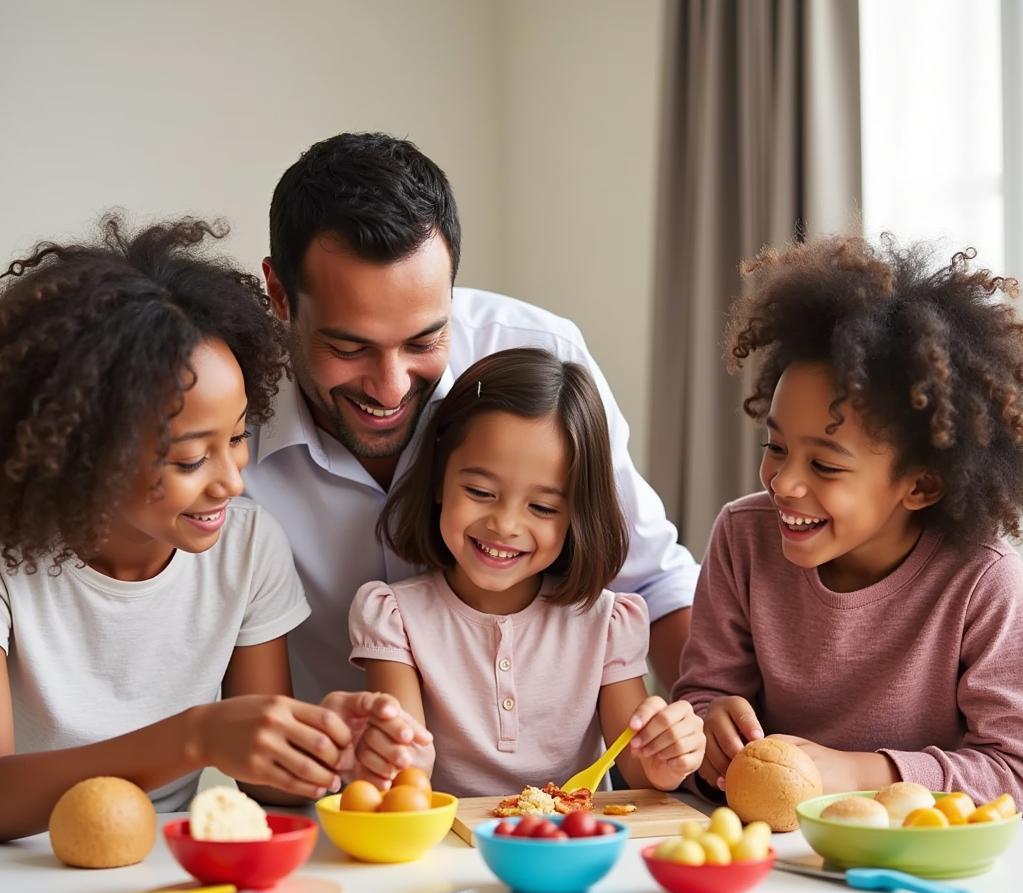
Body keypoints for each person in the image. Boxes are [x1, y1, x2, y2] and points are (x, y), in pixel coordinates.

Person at [672, 237, 1023, 893]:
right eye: (775, 448)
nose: (784, 483)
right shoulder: (743, 538)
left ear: (921, 484)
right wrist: (706, 735)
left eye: (825, 466)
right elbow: (703, 701)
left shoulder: (983, 579)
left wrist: (847, 774)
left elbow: (1012, 772)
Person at [0, 216, 429, 841]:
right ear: (85, 452)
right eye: (190, 459)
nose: (230, 480)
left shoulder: (247, 547)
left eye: (236, 439)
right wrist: (197, 735)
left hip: (160, 870)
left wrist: (325, 748)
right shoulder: (11, 564)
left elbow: (264, 785)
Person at [243, 131, 699, 707]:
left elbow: (653, 582)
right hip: (337, 793)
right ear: (280, 296)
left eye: (424, 338)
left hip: (556, 797)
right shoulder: (226, 419)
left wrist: (707, 723)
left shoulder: (543, 352)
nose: (391, 387)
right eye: (350, 347)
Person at [347, 348, 705, 797]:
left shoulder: (606, 623)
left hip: (575, 851)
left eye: (542, 507)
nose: (506, 526)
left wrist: (670, 753)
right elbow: (406, 774)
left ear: (576, 514)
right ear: (439, 478)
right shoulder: (395, 616)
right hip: (453, 854)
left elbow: (637, 767)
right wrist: (387, 754)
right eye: (480, 491)